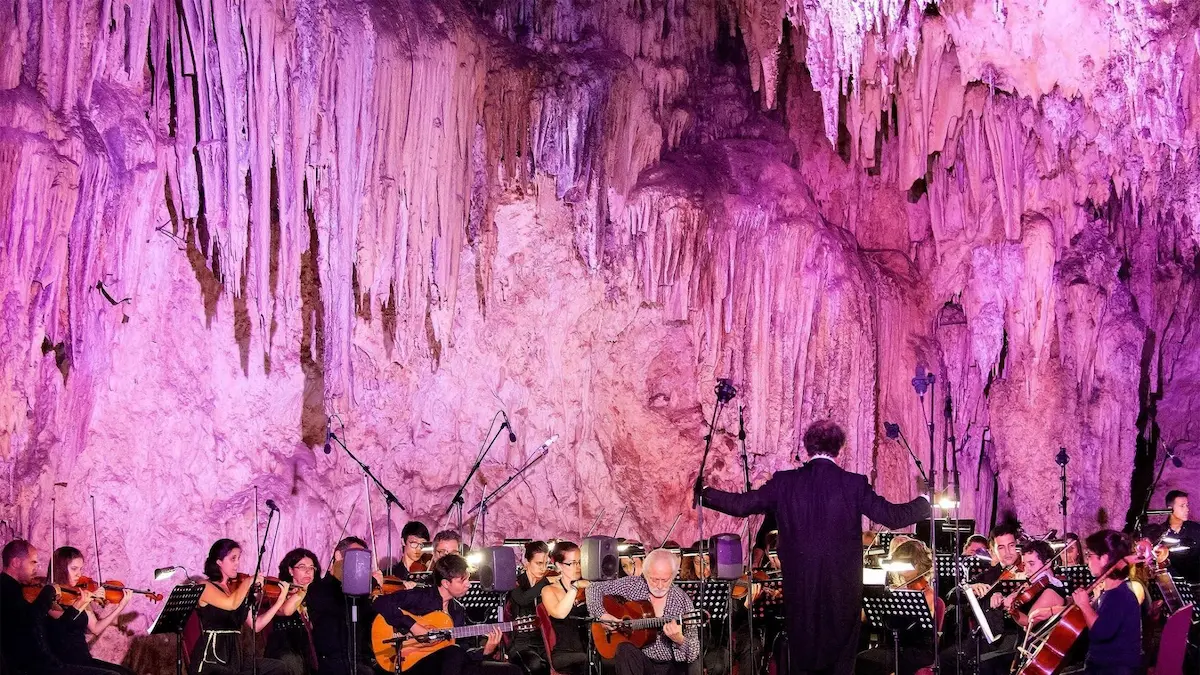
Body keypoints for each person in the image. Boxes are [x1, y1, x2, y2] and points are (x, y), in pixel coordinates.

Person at [699, 419, 931, 675]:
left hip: (800, 590)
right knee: (840, 664)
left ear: (807, 447)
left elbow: (743, 505)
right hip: (842, 594)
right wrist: (925, 502)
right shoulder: (853, 484)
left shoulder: (785, 482)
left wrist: (705, 492)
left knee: (802, 662)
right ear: (840, 448)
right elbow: (892, 517)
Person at [373, 554, 509, 675]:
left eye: (468, 579)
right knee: (454, 653)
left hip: (441, 665)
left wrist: (485, 651)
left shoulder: (457, 610)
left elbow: (463, 648)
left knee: (507, 670)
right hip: (409, 660)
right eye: (462, 580)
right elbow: (380, 602)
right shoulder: (421, 596)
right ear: (445, 583)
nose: (468, 584)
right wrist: (413, 626)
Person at [1, 539, 114, 675]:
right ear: (16, 563)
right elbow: (30, 622)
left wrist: (79, 604)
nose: (36, 567)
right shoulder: (6, 590)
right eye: (33, 562)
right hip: (34, 667)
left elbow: (57, 625)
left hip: (46, 663)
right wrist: (49, 592)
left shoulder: (16, 589)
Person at [585, 548, 700, 675]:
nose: (659, 586)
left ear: (673, 576)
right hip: (637, 659)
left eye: (665, 580)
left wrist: (679, 640)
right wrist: (602, 614)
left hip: (667, 666)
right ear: (646, 573)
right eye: (654, 579)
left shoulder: (682, 601)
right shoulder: (634, 584)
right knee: (624, 649)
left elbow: (693, 653)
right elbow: (593, 588)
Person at [191, 539, 288, 675]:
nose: (237, 563)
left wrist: (280, 601)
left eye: (238, 558)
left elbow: (256, 625)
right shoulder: (205, 586)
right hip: (212, 658)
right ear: (219, 562)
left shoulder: (236, 590)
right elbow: (230, 604)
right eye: (233, 559)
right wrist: (248, 582)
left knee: (278, 667)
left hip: (235, 656)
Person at [44, 546, 134, 675]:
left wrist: (120, 606)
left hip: (83, 659)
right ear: (60, 569)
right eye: (74, 569)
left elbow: (96, 628)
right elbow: (64, 622)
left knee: (128, 673)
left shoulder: (79, 594)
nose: (79, 574)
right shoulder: (49, 596)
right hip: (64, 663)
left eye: (80, 569)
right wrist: (85, 601)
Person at [856, 539, 935, 675]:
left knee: (868, 662)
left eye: (905, 563)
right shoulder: (898, 590)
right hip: (894, 647)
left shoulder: (929, 594)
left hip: (915, 650)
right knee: (863, 659)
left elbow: (925, 630)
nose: (901, 569)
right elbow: (865, 618)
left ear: (918, 564)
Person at [307, 536, 377, 675]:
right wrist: (371, 583)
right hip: (333, 662)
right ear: (338, 556)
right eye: (355, 556)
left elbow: (368, 618)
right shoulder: (318, 588)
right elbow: (341, 609)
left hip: (361, 659)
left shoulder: (361, 591)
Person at [1075, 530, 1142, 675]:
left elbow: (1100, 632)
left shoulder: (1119, 595)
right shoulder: (1112, 592)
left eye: (1089, 555)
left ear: (1104, 559)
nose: (1087, 561)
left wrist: (1084, 605)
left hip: (1111, 669)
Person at [263, 548, 320, 675]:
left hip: (307, 651)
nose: (308, 571)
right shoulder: (279, 592)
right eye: (302, 567)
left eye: (311, 568)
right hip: (285, 650)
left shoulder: (315, 596)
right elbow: (287, 610)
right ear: (290, 570)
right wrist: (303, 589)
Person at [540, 541, 590, 675]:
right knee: (588, 661)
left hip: (590, 649)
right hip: (564, 652)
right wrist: (575, 587)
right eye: (572, 563)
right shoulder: (549, 590)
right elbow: (560, 613)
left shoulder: (588, 586)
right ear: (559, 565)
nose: (578, 567)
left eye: (580, 562)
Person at [507, 542, 552, 675]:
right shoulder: (515, 582)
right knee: (535, 664)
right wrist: (545, 582)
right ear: (526, 562)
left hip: (544, 641)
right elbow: (523, 599)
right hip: (521, 643)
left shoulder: (547, 582)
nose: (543, 568)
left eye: (546, 563)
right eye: (539, 563)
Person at [1145, 490, 1200, 582]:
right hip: (1171, 583)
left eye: (1187, 505)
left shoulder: (1196, 529)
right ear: (1170, 509)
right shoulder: (1159, 534)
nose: (1187, 509)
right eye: (1182, 506)